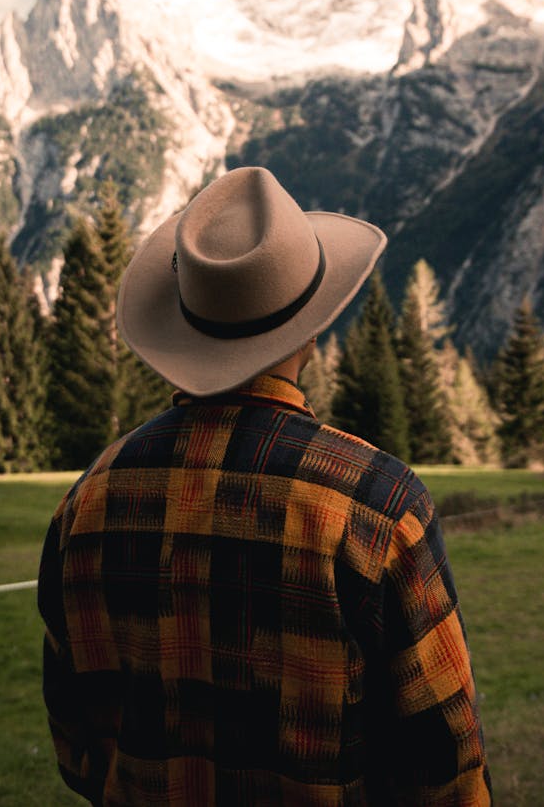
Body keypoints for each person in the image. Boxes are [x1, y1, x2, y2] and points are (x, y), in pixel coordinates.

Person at [38, 166, 491, 806]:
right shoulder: (376, 506)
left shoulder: (87, 502)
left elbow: (76, 747)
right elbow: (446, 768)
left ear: (183, 322)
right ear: (311, 327)